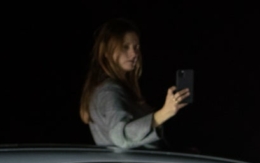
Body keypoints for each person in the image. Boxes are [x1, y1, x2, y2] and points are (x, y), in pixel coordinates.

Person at [79, 18, 190, 149]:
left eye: (136, 47)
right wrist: (165, 112)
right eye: (125, 47)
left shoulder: (114, 88)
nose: (134, 54)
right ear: (107, 52)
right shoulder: (108, 91)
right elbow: (121, 136)